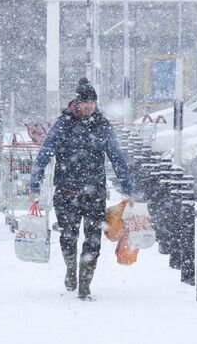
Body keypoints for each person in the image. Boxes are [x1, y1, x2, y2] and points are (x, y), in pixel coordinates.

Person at [29, 78, 132, 300]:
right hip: (66, 192)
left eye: (92, 103)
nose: (89, 107)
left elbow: (116, 157)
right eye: (86, 103)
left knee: (93, 239)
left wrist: (127, 188)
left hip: (95, 192)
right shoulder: (63, 124)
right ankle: (70, 268)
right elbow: (44, 154)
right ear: (77, 102)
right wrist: (34, 185)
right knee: (69, 236)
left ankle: (85, 284)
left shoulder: (102, 125)